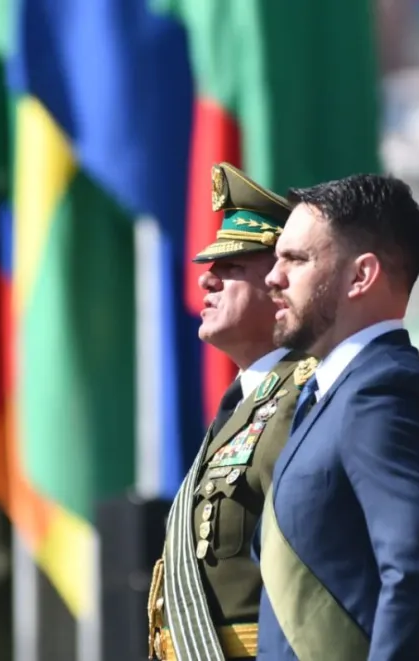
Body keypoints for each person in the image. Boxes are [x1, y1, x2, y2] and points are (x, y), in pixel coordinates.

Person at [255, 173, 419, 660]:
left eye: (296, 259)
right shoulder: (327, 399)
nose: (273, 277)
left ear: (361, 276)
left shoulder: (387, 391)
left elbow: (416, 576)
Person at [148, 162, 318, 661]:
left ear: (279, 283)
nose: (207, 282)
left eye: (231, 268)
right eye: (210, 267)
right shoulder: (240, 407)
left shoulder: (301, 399)